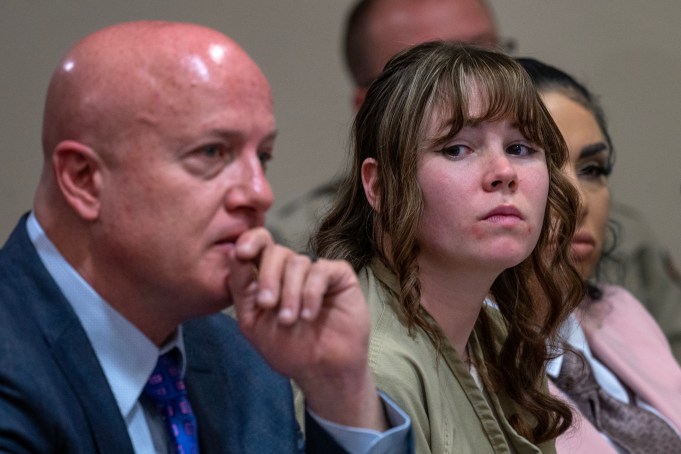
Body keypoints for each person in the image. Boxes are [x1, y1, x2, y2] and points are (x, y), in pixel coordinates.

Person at [0, 21, 413, 453]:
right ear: (84, 180)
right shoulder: (15, 364)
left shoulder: (244, 358)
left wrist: (340, 390)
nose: (260, 193)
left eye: (263, 156)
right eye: (212, 152)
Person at [268, 0, 681, 363]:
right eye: (425, 65)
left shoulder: (621, 259)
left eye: (486, 53)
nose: (469, 77)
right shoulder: (298, 247)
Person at [313, 41, 584, 453]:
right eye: (456, 148)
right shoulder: (367, 365)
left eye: (520, 148)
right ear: (379, 186)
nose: (504, 173)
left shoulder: (499, 337)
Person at [518, 57, 681, 453]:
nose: (577, 200)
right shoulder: (461, 362)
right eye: (544, 165)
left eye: (592, 169)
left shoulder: (620, 312)